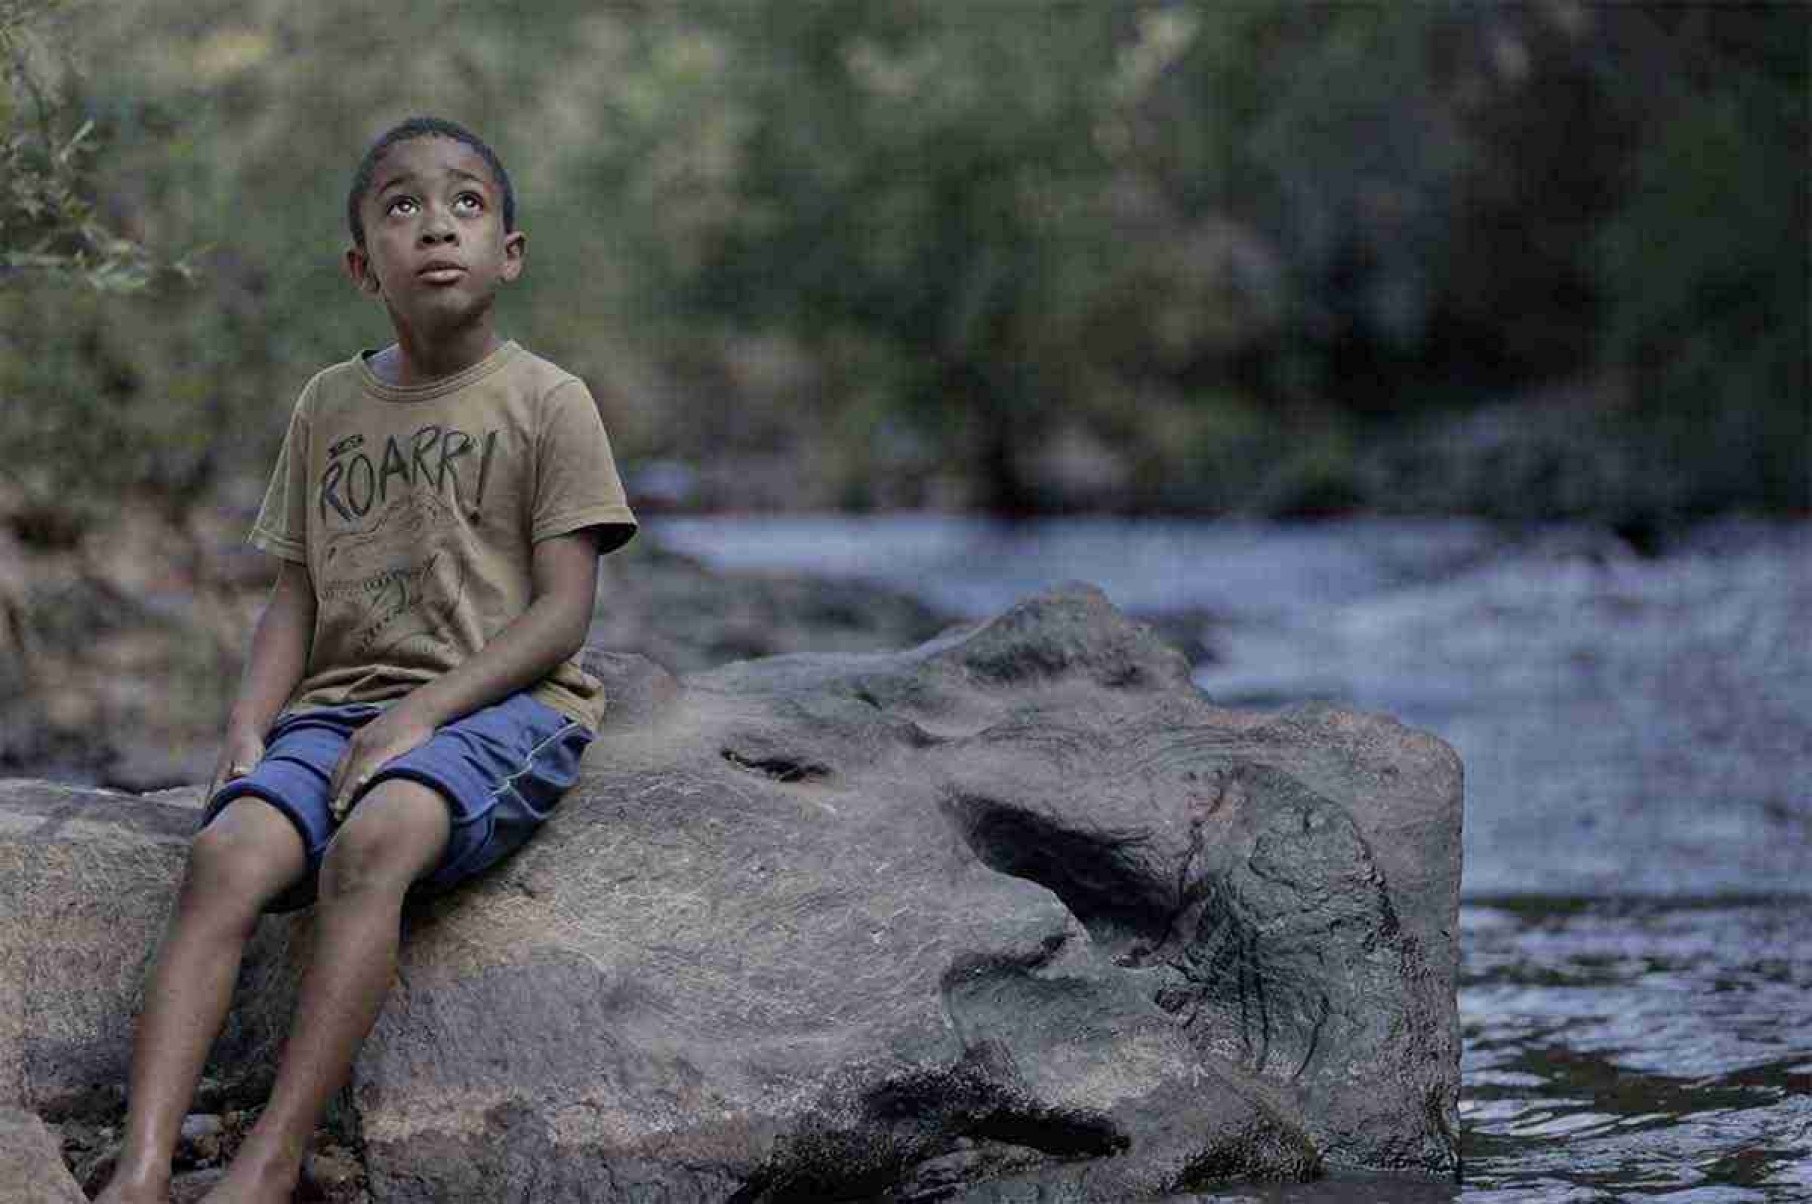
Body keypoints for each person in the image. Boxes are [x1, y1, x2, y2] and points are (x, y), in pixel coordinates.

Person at [96, 116, 637, 1204]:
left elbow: (563, 612)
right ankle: (144, 1167)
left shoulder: (548, 401)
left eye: (467, 205)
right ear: (361, 266)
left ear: (510, 252)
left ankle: (269, 1160)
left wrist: (424, 714)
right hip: (334, 709)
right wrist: (250, 726)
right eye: (402, 206)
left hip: (503, 706)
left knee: (377, 836)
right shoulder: (327, 405)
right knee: (226, 854)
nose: (436, 225)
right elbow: (294, 595)